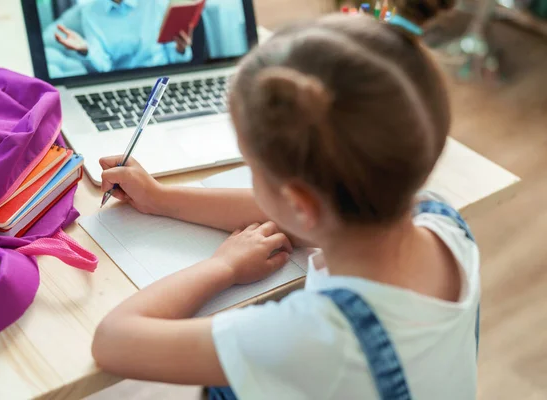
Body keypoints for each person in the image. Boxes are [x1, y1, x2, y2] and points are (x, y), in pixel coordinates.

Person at [91, 1, 480, 399]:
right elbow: (302, 214)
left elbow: (112, 340)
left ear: (300, 204)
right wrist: (162, 198)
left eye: (254, 169)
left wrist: (222, 267)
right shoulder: (438, 219)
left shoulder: (316, 338)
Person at [42, 0, 193, 77]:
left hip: (163, 78)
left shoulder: (155, 3)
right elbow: (104, 66)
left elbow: (176, 58)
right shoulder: (90, 12)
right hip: (123, 83)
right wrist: (85, 49)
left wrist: (181, 49)